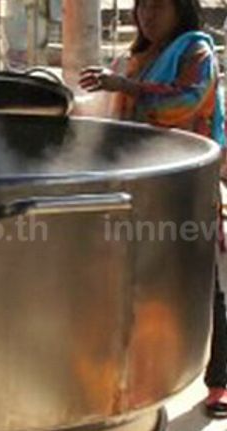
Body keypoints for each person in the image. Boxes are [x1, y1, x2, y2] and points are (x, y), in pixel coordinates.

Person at [79, 0, 227, 419]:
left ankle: (219, 379)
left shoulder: (196, 50)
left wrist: (123, 88)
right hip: (137, 182)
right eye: (143, 6)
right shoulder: (136, 57)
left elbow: (183, 103)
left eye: (159, 6)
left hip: (185, 185)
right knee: (138, 279)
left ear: (181, 10)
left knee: (201, 280)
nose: (148, 15)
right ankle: (138, 373)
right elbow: (116, 115)